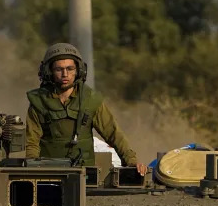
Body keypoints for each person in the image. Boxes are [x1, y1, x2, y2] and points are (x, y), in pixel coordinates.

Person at [25, 43, 147, 175]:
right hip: (50, 173)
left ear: (79, 70)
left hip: (84, 174)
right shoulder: (39, 102)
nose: (65, 74)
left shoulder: (90, 100)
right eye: (59, 69)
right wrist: (33, 168)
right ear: (49, 72)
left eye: (70, 69)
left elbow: (113, 133)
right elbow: (31, 142)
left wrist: (131, 161)